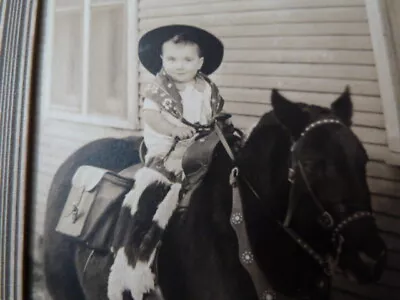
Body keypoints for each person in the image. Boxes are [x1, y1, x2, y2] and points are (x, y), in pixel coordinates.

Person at [138, 24, 225, 182]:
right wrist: (173, 129)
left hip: (201, 145)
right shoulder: (158, 88)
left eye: (187, 60)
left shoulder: (206, 88)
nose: (179, 66)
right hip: (166, 147)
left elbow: (213, 113)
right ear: (162, 60)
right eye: (172, 59)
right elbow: (150, 115)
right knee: (158, 180)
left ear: (199, 63)